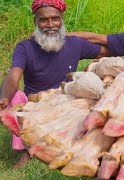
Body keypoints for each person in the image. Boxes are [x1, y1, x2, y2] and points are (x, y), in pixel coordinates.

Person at [0, 0, 108, 169]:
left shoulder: (74, 44)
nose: (50, 25)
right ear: (36, 22)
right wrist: (4, 98)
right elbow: (14, 75)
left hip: (65, 103)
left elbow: (110, 49)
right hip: (34, 104)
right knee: (14, 97)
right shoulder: (25, 47)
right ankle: (25, 149)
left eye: (55, 19)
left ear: (62, 19)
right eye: (44, 20)